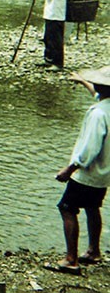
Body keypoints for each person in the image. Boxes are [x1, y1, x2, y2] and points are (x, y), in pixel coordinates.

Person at [49, 66, 110, 274]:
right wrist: (82, 81)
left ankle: (71, 258)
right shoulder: (106, 107)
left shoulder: (98, 114)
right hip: (104, 173)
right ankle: (94, 250)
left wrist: (70, 168)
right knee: (93, 207)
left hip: (88, 173)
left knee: (66, 207)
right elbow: (97, 95)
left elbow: (89, 148)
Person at [27, 0, 67, 70]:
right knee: (47, 38)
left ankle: (58, 63)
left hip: (57, 16)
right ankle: (48, 60)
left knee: (56, 40)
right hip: (49, 14)